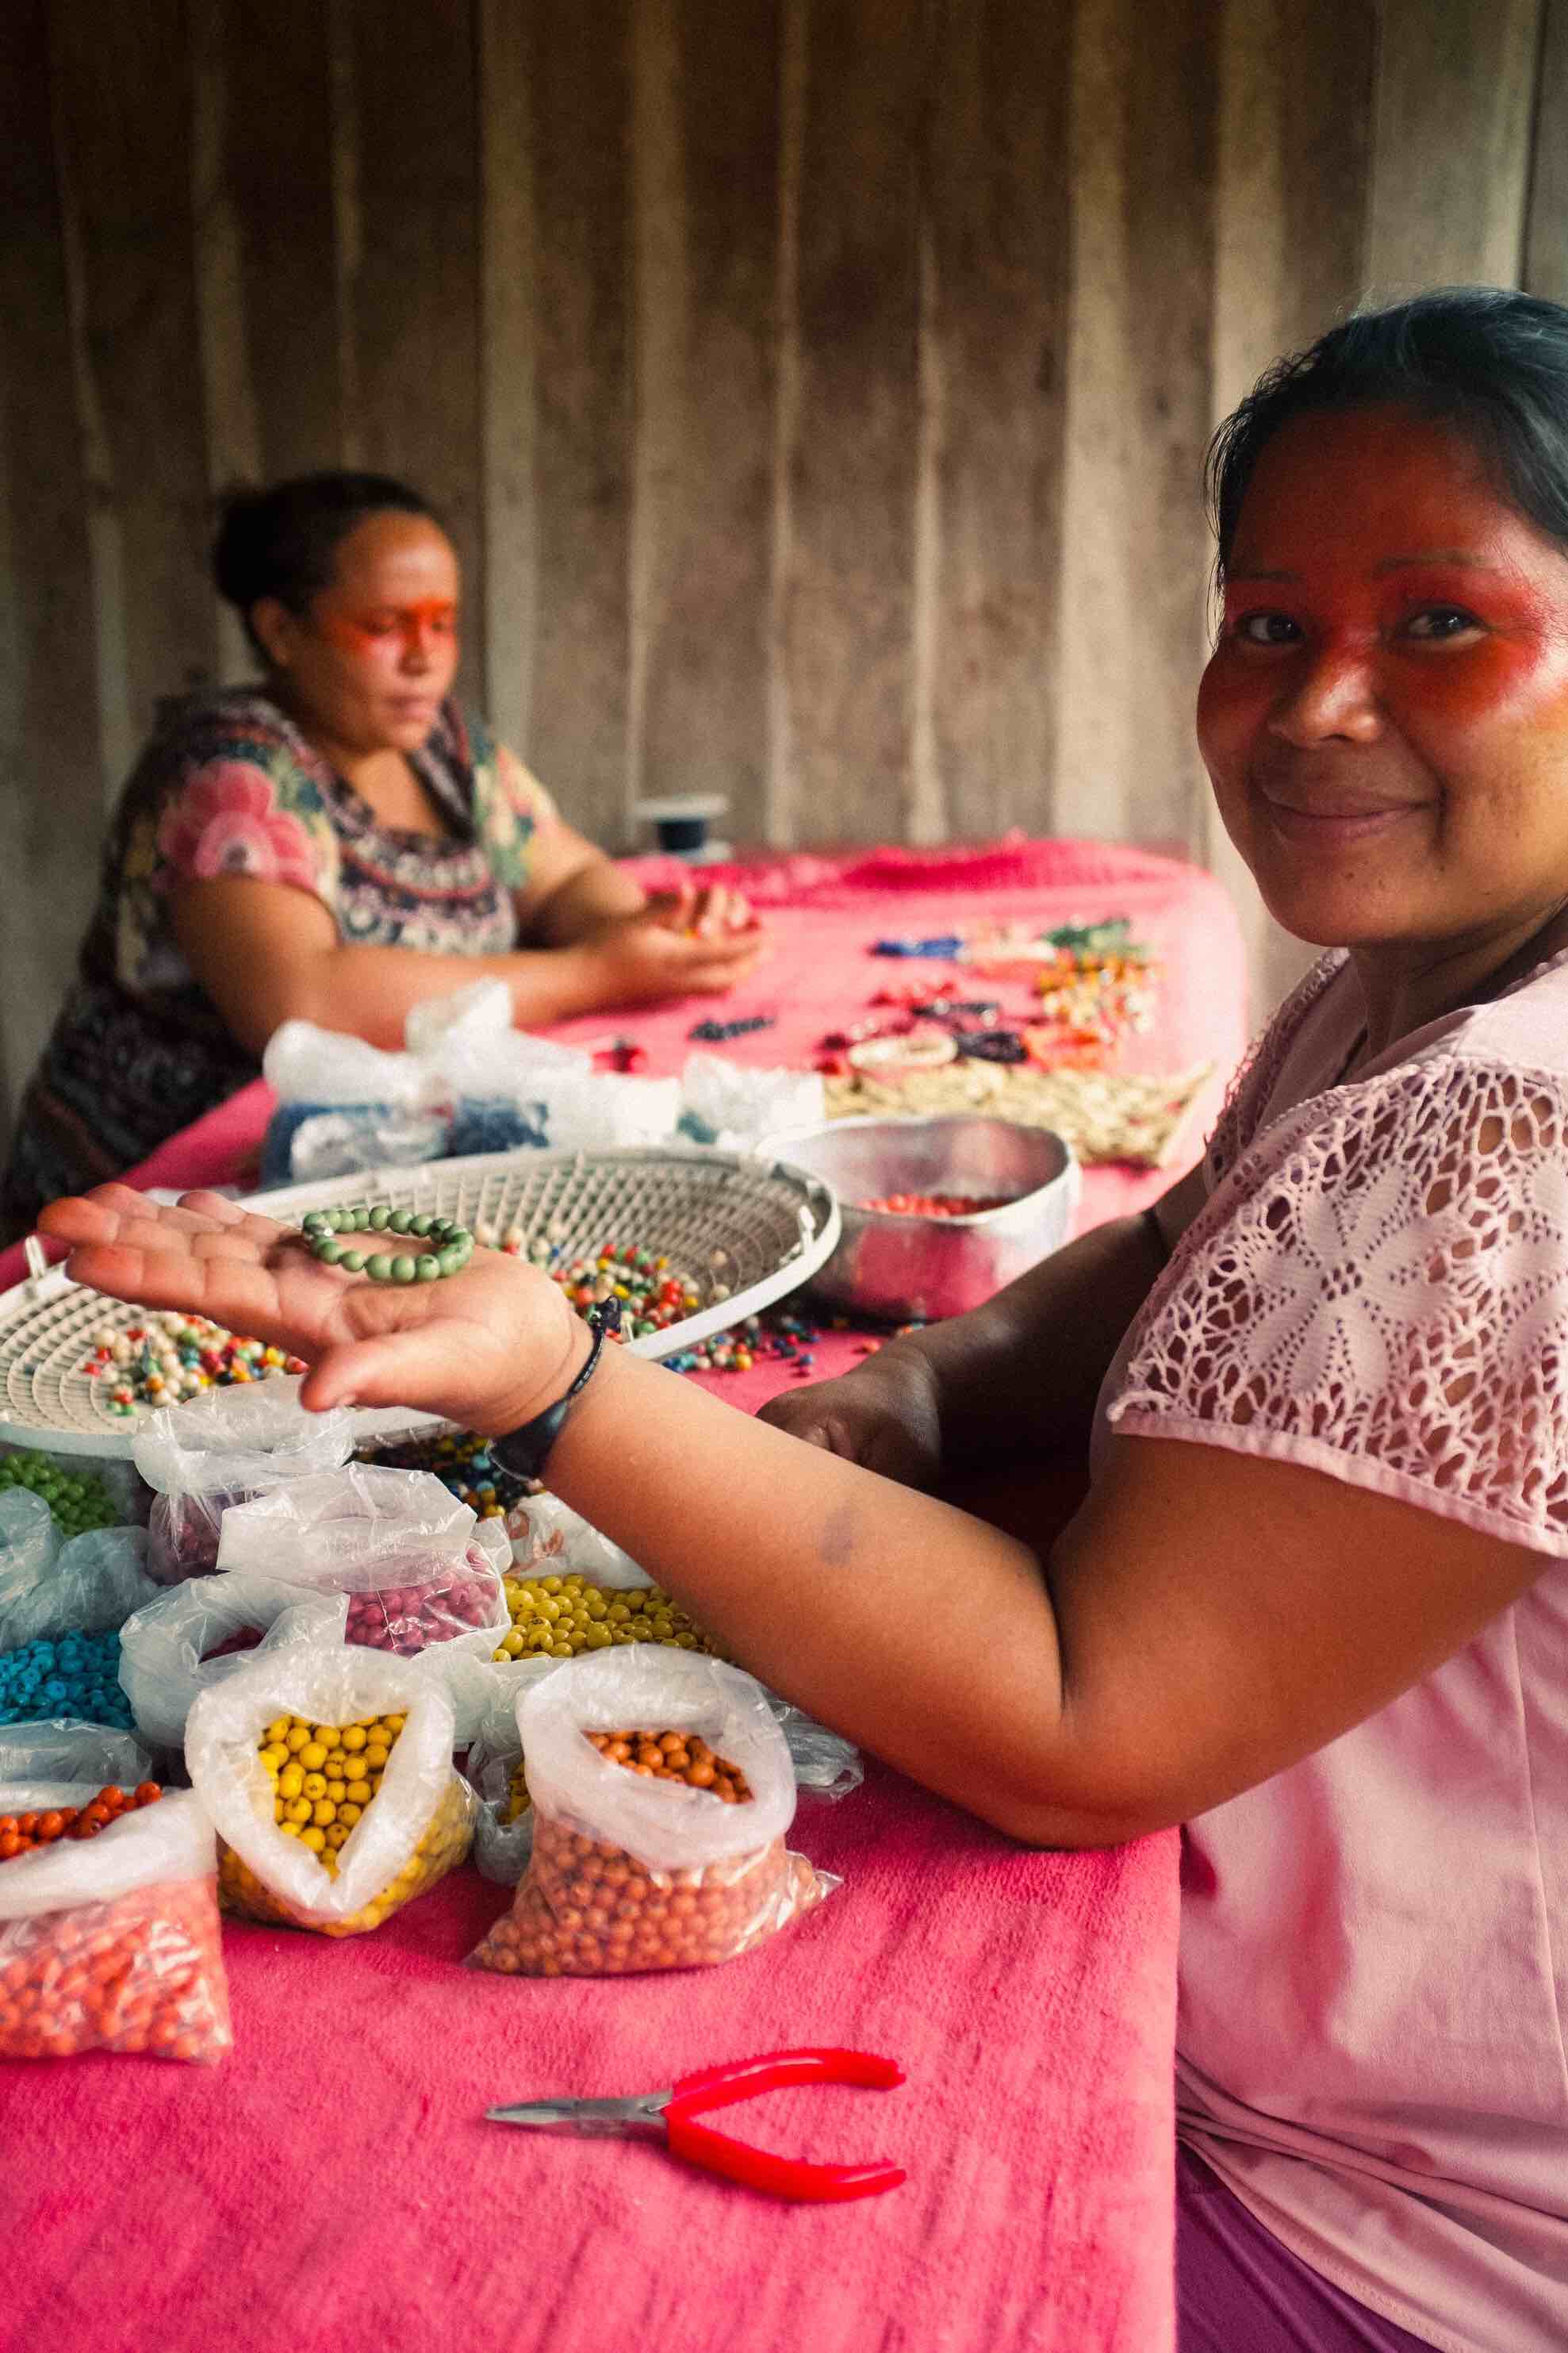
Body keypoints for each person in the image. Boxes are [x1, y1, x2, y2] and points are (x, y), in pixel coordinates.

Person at [40, 287, 1568, 2351]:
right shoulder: (1402, 996)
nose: (1312, 708)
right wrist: (908, 1395)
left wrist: (565, 1383)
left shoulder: (1513, 1122)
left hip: (1396, 2208)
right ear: (286, 636)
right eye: (1271, 621)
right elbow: (1185, 1235)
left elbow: (1081, 1720)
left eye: (1441, 624)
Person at [0, 471, 763, 1244]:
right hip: (155, 1204)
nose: (425, 657)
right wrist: (599, 970)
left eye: (442, 622)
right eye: (387, 625)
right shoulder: (229, 771)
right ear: (282, 631)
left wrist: (652, 925)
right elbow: (302, 1000)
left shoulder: (442, 747)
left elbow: (561, 873)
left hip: (345, 1177)